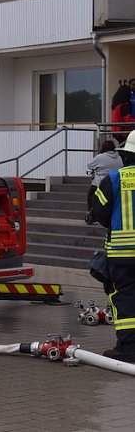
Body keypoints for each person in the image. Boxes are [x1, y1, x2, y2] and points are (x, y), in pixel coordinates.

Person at [91, 132, 135, 362]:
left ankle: (128, 348)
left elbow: (100, 213)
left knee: (125, 298)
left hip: (123, 254)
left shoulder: (115, 178)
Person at [86, 141, 123, 216]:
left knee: (90, 195)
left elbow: (89, 165)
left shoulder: (100, 157)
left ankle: (91, 214)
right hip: (115, 182)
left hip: (101, 182)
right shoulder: (119, 157)